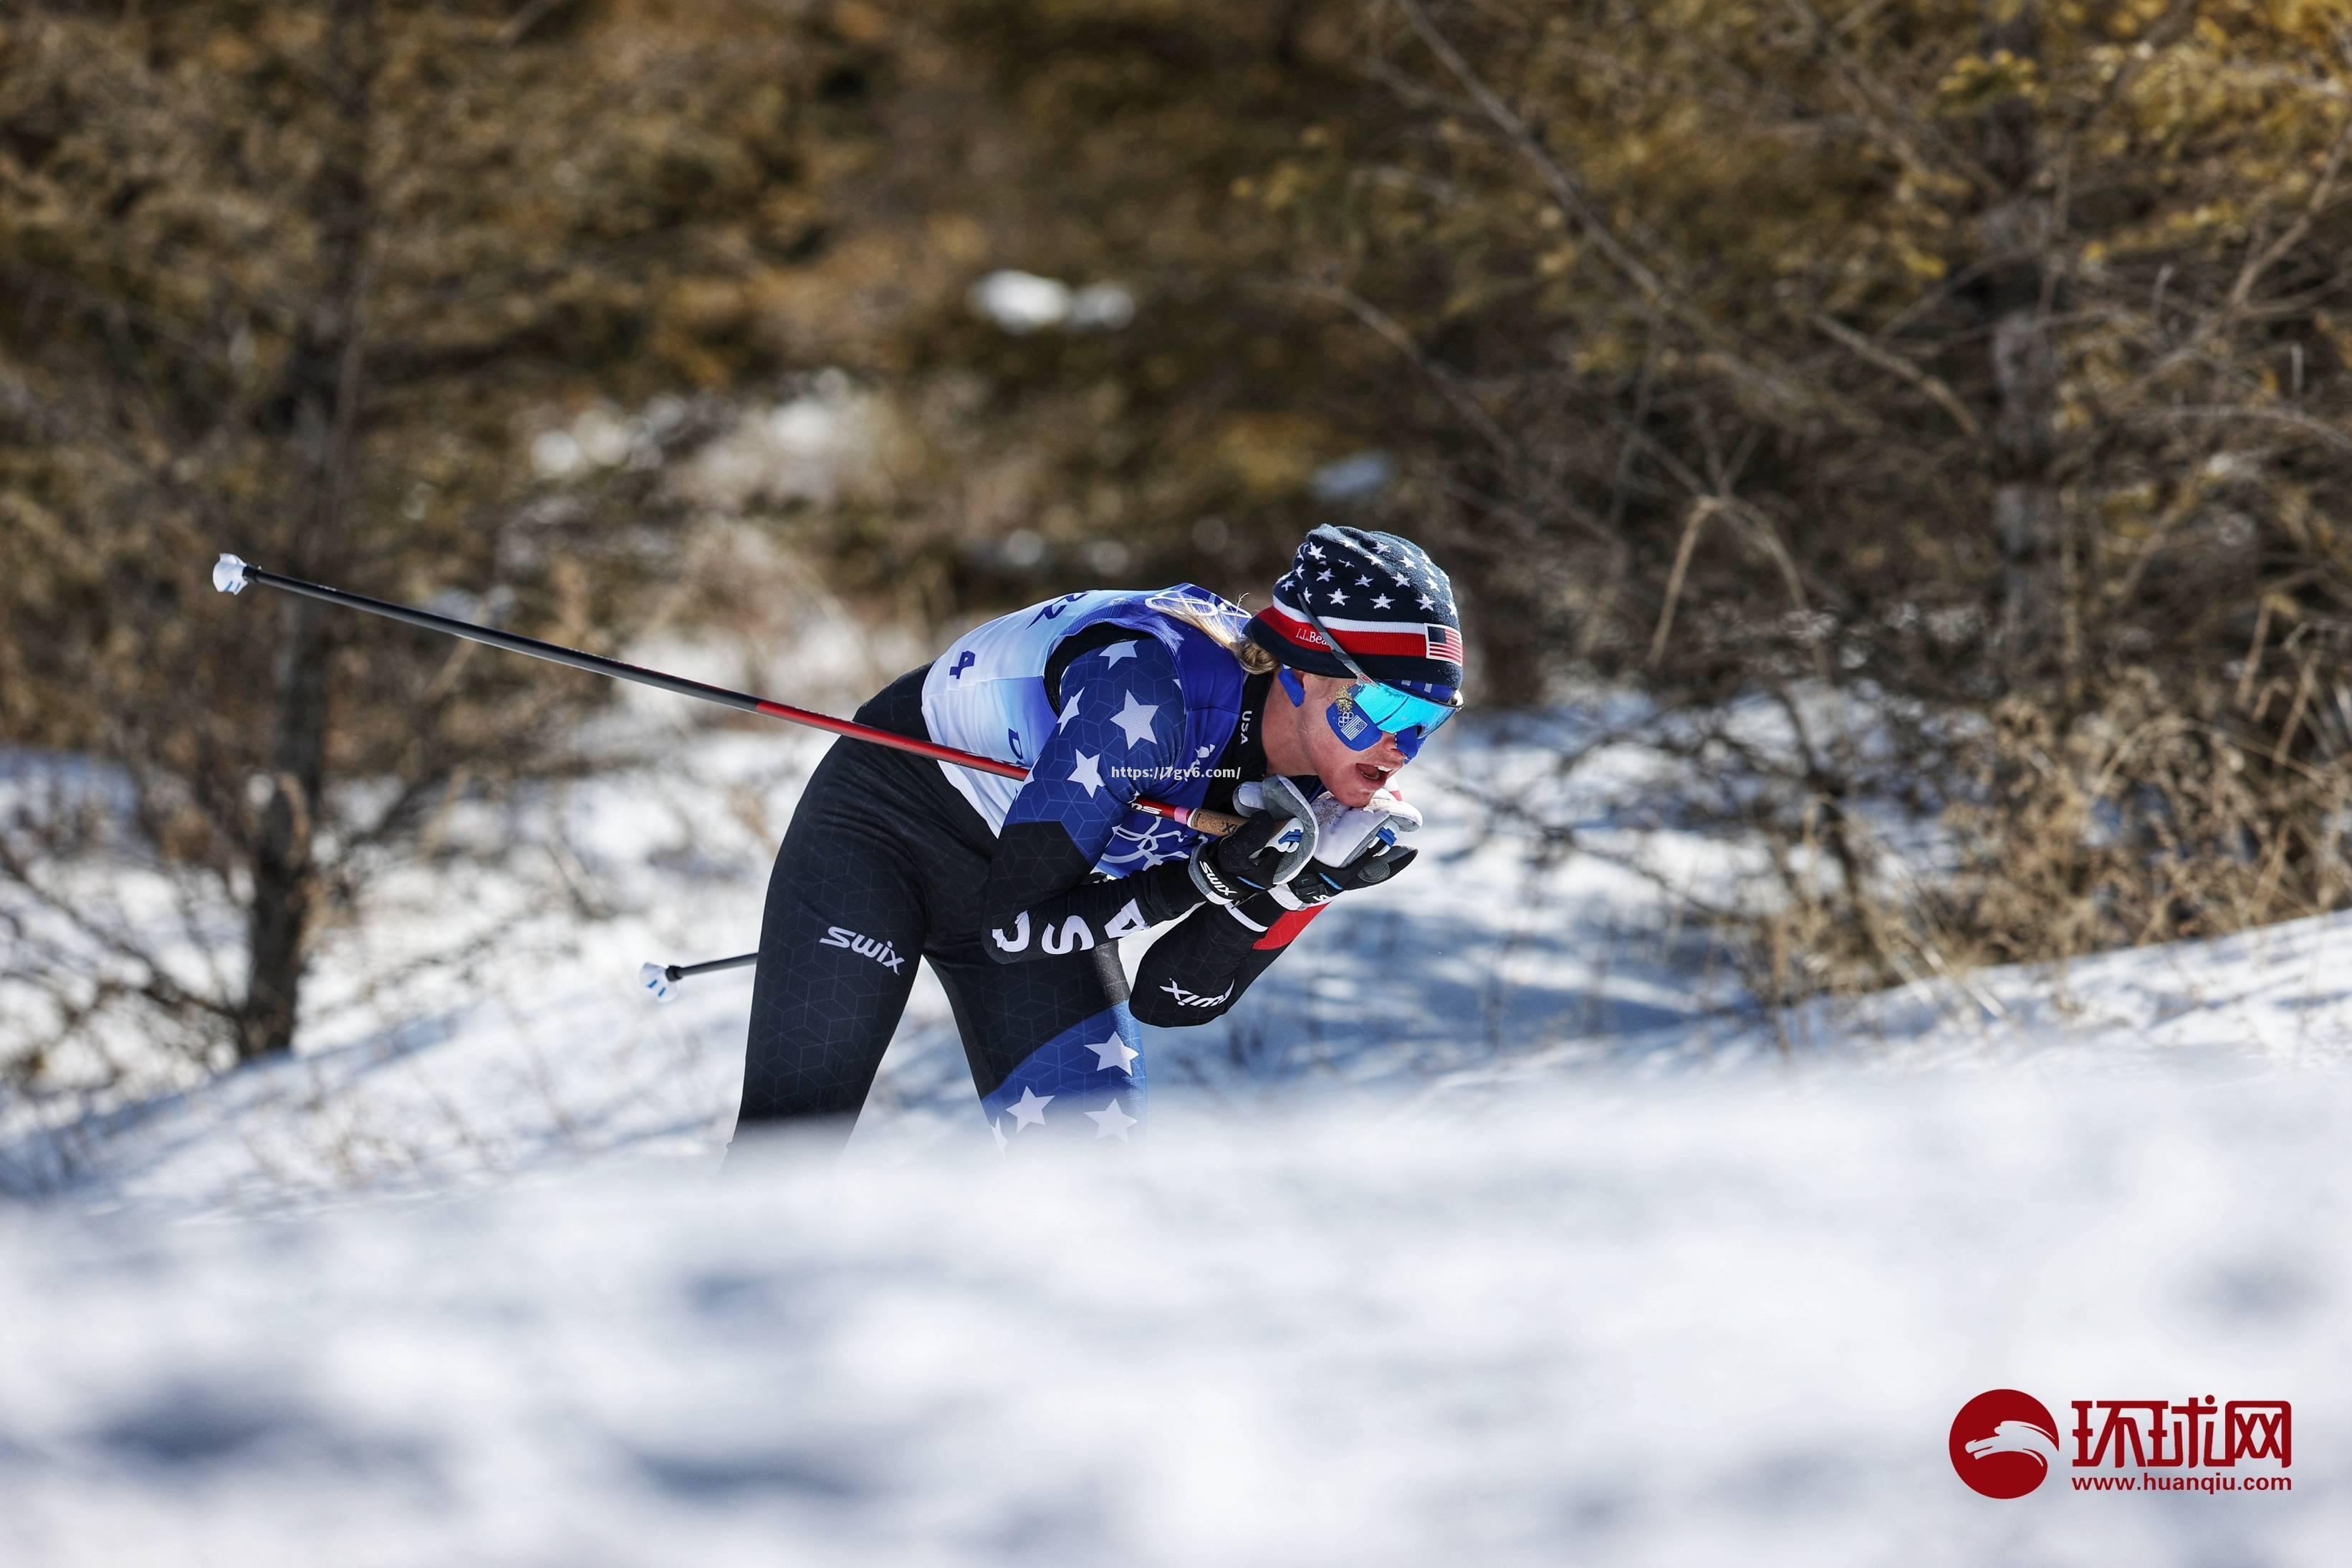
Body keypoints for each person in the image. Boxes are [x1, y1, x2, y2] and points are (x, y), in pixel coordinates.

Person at [731, 524, 1466, 1149]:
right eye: (1378, 704)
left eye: (1425, 720)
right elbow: (1017, 927)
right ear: (1302, 671)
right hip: (889, 828)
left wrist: (1303, 886)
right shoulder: (1146, 691)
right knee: (791, 1146)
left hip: (1044, 888)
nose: (1398, 745)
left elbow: (1173, 998)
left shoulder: (1329, 789)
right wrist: (1204, 879)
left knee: (1088, 1173)